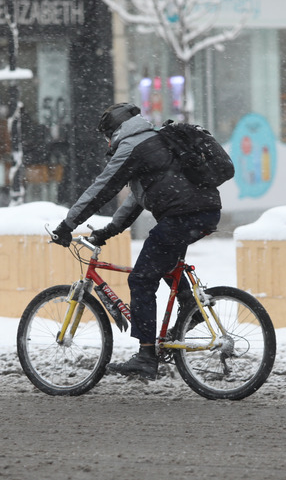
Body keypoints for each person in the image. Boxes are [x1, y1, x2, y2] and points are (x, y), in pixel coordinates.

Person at [52, 103, 222, 380]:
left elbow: (102, 188)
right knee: (163, 263)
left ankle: (145, 356)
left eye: (106, 136)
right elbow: (137, 199)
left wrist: (67, 225)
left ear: (114, 130)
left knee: (141, 279)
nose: (107, 142)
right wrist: (108, 231)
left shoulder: (132, 147)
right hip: (203, 212)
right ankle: (192, 310)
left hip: (182, 216)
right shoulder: (154, 140)